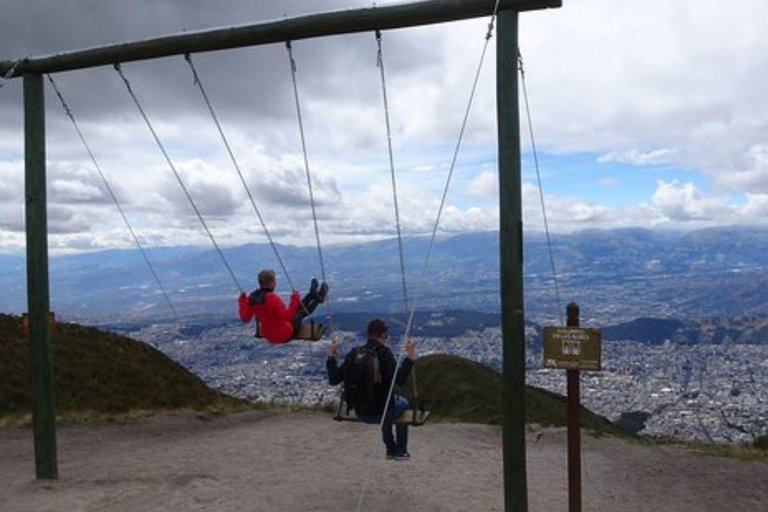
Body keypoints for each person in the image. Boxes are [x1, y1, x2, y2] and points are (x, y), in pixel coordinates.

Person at [326, 318, 416, 460]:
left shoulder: (354, 354)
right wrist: (410, 357)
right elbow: (400, 379)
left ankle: (391, 448)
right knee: (403, 403)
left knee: (389, 398)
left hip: (359, 410)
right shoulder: (384, 353)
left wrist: (331, 356)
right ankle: (399, 450)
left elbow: (333, 379)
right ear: (384, 335)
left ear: (368, 335)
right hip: (380, 412)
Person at [238, 269, 328, 344]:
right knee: (300, 313)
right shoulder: (271, 298)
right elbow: (287, 316)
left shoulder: (252, 297)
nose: (275, 284)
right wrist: (295, 299)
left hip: (269, 335)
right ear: (271, 283)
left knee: (296, 310)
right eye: (275, 281)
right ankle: (318, 297)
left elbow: (245, 317)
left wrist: (242, 300)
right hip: (284, 334)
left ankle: (312, 295)